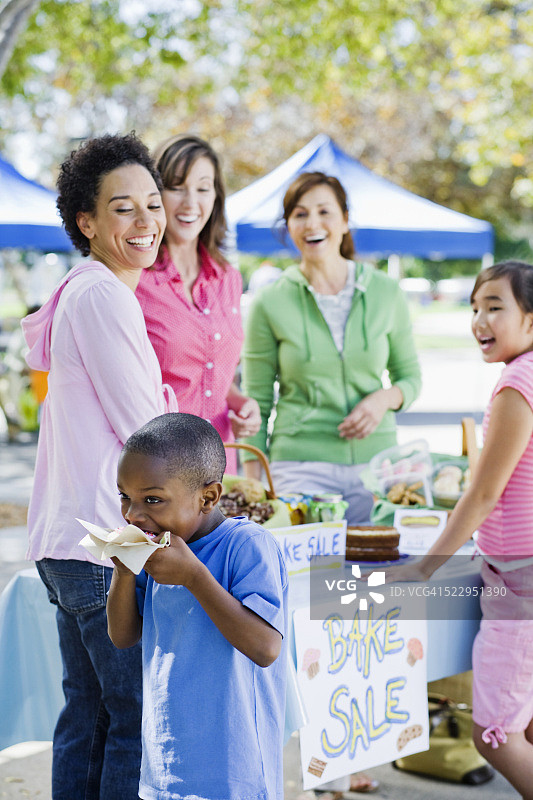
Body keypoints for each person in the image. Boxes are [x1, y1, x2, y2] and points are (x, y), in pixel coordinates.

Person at [21, 133, 178, 800]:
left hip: (69, 545)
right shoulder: (101, 297)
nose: (146, 222)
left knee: (87, 718)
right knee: (129, 725)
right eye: (123, 208)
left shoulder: (79, 291)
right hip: (103, 548)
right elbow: (147, 432)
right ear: (86, 222)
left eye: (152, 203)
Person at [387, 260, 533, 799]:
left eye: (496, 306)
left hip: (519, 585)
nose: (479, 320)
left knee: (495, 736)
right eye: (475, 307)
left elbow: (484, 492)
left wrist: (425, 567)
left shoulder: (517, 384)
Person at [107, 412, 288, 800]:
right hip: (167, 763)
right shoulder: (155, 547)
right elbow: (123, 637)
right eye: (125, 496)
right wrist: (123, 574)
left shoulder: (247, 546)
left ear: (208, 496)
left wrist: (195, 577)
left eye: (152, 499)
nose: (132, 515)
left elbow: (266, 648)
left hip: (232, 770)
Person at [241, 171, 421, 527]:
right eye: (300, 214)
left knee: (375, 574)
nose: (312, 223)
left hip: (377, 467)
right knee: (308, 579)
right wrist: (253, 483)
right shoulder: (270, 301)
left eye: (324, 211)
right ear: (288, 226)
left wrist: (384, 398)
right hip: (299, 467)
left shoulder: (387, 292)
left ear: (344, 220)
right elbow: (256, 399)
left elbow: (410, 377)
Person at [135, 134, 260, 474]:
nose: (191, 201)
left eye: (203, 188)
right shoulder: (135, 280)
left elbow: (211, 372)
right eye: (177, 186)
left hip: (218, 469)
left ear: (216, 197)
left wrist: (241, 402)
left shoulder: (228, 278)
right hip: (159, 471)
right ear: (155, 196)